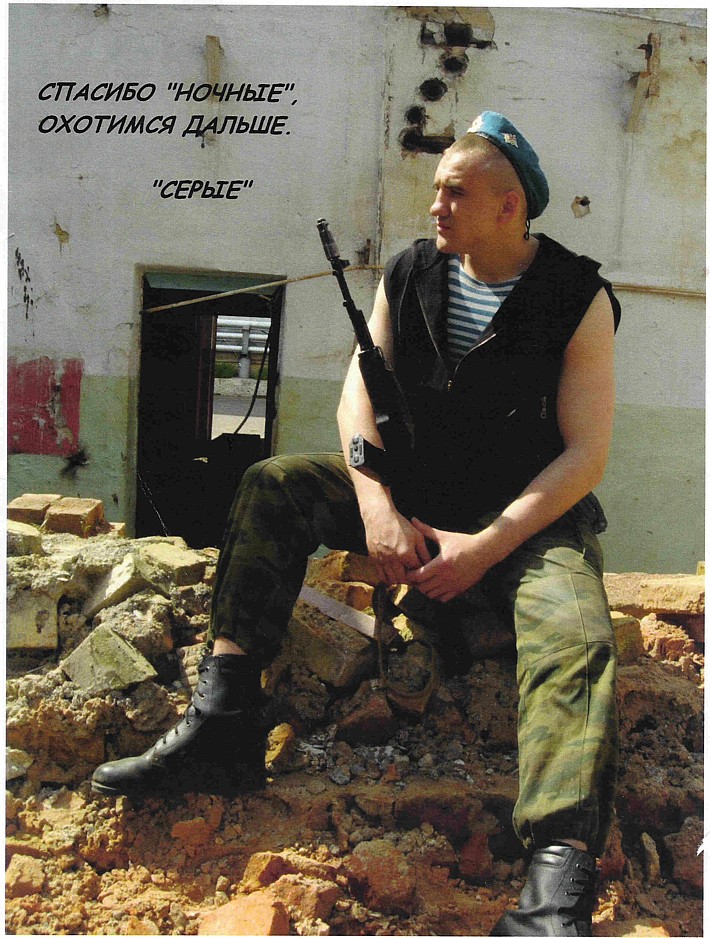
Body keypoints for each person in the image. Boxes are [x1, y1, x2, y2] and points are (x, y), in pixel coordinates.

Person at [92, 111, 620, 937]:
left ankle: (557, 877)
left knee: (576, 627)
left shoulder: (576, 297)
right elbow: (356, 396)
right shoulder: (411, 272)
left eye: (454, 192)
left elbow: (584, 455)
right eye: (437, 190)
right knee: (272, 485)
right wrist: (376, 506)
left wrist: (486, 548)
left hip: (517, 513)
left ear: (509, 206)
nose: (435, 206)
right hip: (409, 489)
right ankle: (224, 725)